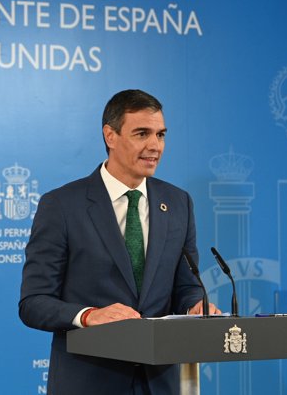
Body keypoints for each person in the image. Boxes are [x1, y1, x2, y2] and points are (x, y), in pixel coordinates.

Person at [19, 89, 220, 394]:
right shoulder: (62, 205)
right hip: (90, 382)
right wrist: (88, 316)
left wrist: (195, 306)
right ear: (110, 136)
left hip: (159, 383)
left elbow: (186, 286)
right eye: (142, 133)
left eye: (161, 135)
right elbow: (33, 303)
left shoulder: (178, 203)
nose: (155, 146)